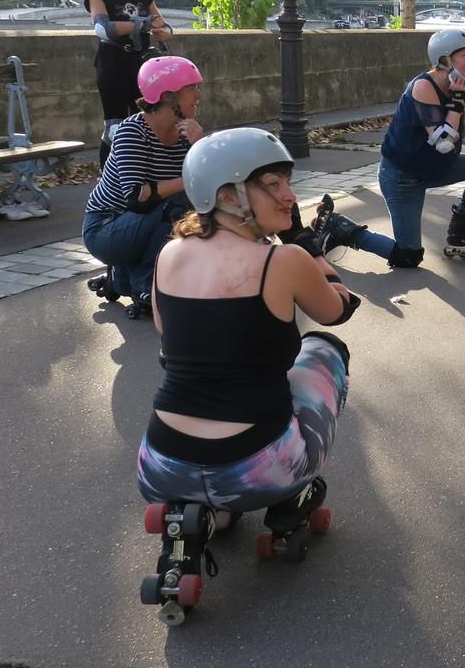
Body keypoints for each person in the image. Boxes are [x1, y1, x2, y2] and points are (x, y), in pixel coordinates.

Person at [137, 127, 353, 535]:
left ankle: (205, 513)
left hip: (161, 467)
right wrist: (309, 249)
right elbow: (335, 312)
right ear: (226, 195)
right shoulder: (284, 259)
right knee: (325, 350)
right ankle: (292, 496)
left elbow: (168, 337)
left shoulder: (169, 253)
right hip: (259, 472)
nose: (289, 195)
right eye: (273, 184)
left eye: (288, 182)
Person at [311, 28, 465, 268]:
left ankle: (461, 229)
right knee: (408, 255)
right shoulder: (424, 86)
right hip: (404, 178)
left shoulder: (458, 86)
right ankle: (341, 228)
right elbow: (443, 143)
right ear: (445, 58)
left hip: (436, 167)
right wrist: (456, 103)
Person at [83, 56, 204, 313]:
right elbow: (138, 196)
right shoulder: (132, 132)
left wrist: (200, 146)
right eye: (191, 88)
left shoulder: (186, 134)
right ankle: (144, 285)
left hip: (140, 225)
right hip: (105, 228)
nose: (199, 95)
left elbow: (209, 183)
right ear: (167, 96)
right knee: (178, 203)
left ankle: (123, 276)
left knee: (195, 207)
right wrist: (189, 180)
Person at [85, 0, 173, 165]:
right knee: (115, 127)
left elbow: (161, 23)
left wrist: (163, 31)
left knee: (145, 121)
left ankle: (143, 170)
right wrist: (138, 24)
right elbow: (102, 28)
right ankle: (109, 176)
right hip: (112, 62)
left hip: (141, 63)